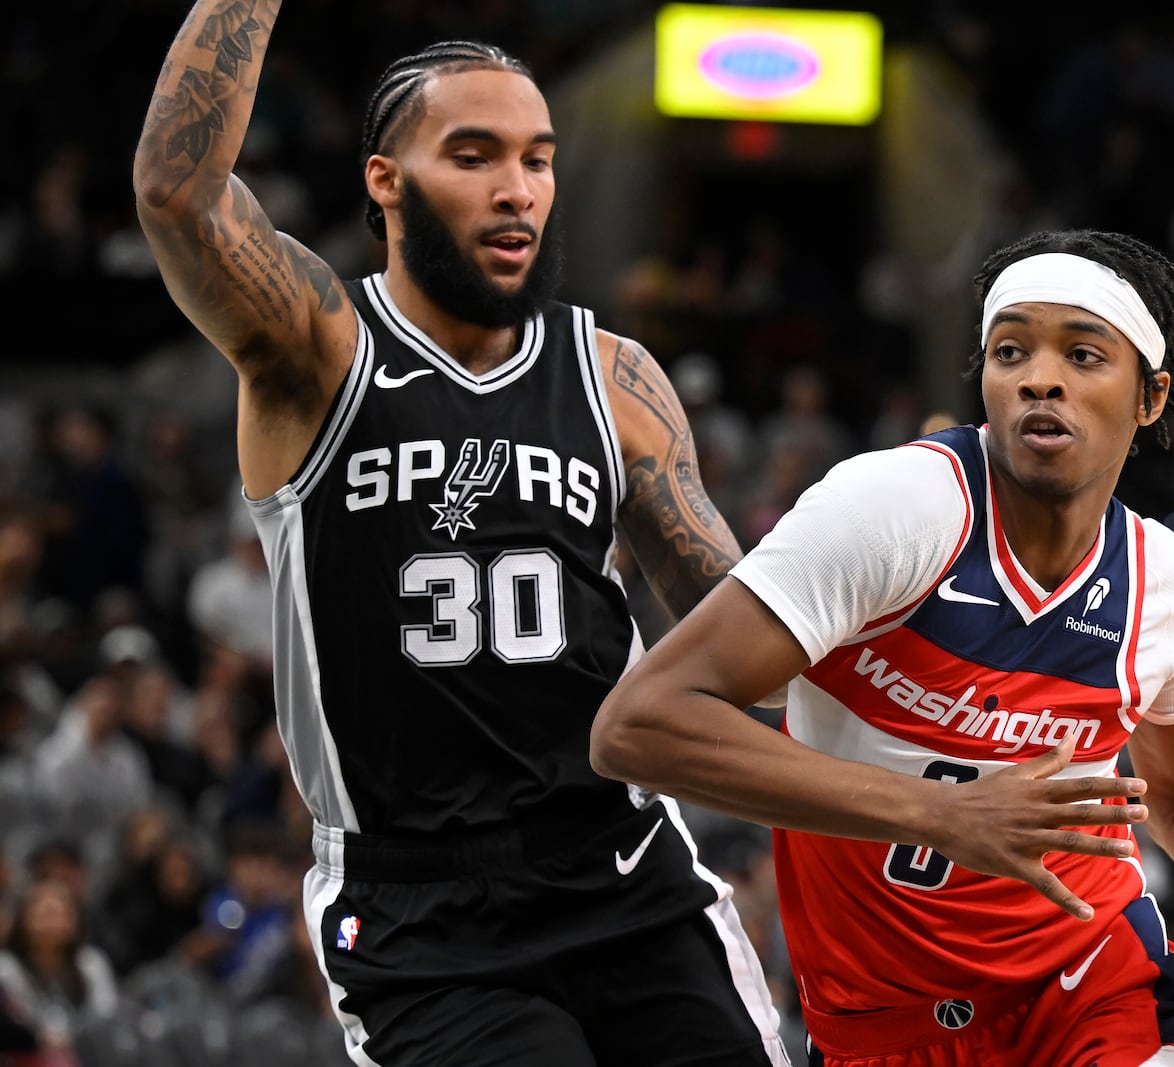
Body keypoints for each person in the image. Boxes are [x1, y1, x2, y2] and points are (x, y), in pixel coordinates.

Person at [594, 229, 1174, 1066]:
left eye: (1084, 353)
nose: (1040, 376)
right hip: (881, 1017)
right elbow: (639, 725)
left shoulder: (1166, 585)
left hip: (1087, 979)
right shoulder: (895, 511)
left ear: (1150, 396)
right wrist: (941, 814)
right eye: (1010, 349)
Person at [133, 8, 788, 1065]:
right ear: (386, 180)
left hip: (620, 863)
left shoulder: (613, 378)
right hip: (418, 907)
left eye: (536, 158)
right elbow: (177, 192)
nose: (515, 185)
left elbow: (742, 627)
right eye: (472, 154)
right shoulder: (318, 350)